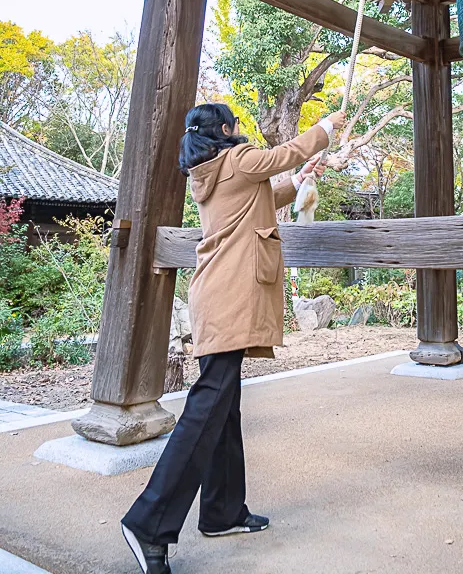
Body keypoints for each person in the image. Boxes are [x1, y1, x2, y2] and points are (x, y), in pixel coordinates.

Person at [121, 101, 345, 574]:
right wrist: (324, 129)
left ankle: (222, 512)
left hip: (218, 294)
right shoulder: (237, 160)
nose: (241, 130)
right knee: (209, 404)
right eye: (236, 125)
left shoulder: (215, 170)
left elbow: (267, 193)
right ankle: (149, 522)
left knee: (222, 405)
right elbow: (283, 153)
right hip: (230, 295)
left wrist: (303, 179)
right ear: (225, 130)